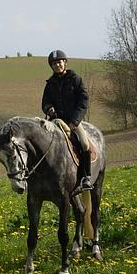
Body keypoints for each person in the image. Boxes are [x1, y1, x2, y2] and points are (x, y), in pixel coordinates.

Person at [42, 50, 93, 192]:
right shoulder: (50, 84)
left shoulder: (76, 79)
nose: (57, 65)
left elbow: (83, 102)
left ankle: (86, 177)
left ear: (65, 63)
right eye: (54, 64)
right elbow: (45, 103)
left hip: (73, 121)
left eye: (59, 62)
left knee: (84, 143)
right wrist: (49, 108)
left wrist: (74, 122)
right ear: (51, 66)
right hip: (56, 121)